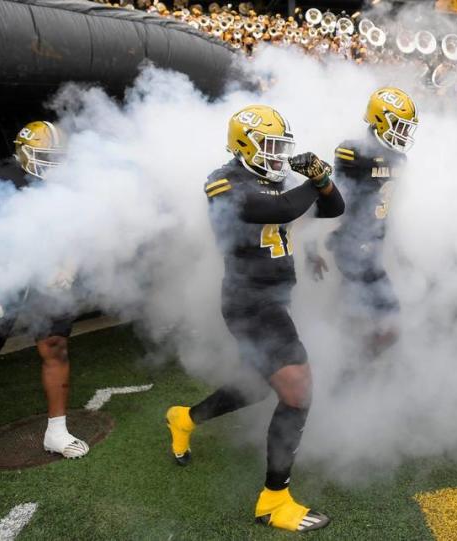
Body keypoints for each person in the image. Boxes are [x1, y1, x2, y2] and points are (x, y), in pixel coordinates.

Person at [165, 105, 344, 532]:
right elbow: (279, 211)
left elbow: (333, 208)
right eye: (269, 145)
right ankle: (273, 500)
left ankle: (184, 418)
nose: (277, 155)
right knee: (297, 392)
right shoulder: (223, 181)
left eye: (281, 147)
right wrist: (315, 180)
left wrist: (323, 182)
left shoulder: (273, 180)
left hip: (272, 299)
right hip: (249, 302)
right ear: (244, 143)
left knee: (257, 388)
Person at [0, 121, 89, 459]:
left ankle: (57, 431)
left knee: (55, 346)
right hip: (1, 270)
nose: (53, 165)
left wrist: (67, 268)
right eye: (45, 156)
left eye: (58, 157)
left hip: (45, 268)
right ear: (24, 153)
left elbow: (79, 230)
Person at [307, 87, 417, 357]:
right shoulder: (353, 153)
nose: (403, 134)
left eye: (406, 128)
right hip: (353, 250)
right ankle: (349, 372)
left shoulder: (399, 158)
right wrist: (311, 249)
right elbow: (325, 201)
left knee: (354, 319)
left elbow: (385, 207)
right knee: (387, 323)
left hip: (372, 248)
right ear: (379, 121)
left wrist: (398, 250)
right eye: (399, 126)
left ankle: (339, 368)